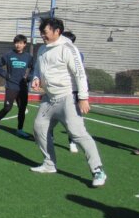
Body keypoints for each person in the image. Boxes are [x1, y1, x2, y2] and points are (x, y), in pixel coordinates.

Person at [30, 17, 107, 187]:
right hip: (49, 99)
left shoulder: (68, 48)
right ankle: (49, 164)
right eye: (41, 32)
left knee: (77, 133)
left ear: (57, 31)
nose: (42, 35)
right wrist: (36, 78)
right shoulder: (42, 49)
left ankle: (98, 170)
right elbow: (37, 68)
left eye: (45, 32)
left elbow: (80, 74)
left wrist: (83, 98)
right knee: (39, 128)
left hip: (68, 98)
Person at [0, 34, 33, 138]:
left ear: (24, 44)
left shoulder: (28, 57)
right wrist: (5, 75)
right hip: (11, 86)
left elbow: (34, 68)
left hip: (22, 87)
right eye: (16, 43)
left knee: (22, 108)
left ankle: (20, 130)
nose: (18, 45)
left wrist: (29, 77)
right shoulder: (8, 55)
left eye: (20, 43)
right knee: (7, 108)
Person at [61, 30, 82, 153]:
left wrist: (83, 96)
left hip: (71, 91)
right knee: (49, 118)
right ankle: (49, 137)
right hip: (56, 91)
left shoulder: (76, 54)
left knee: (71, 118)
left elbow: (80, 74)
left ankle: (72, 142)